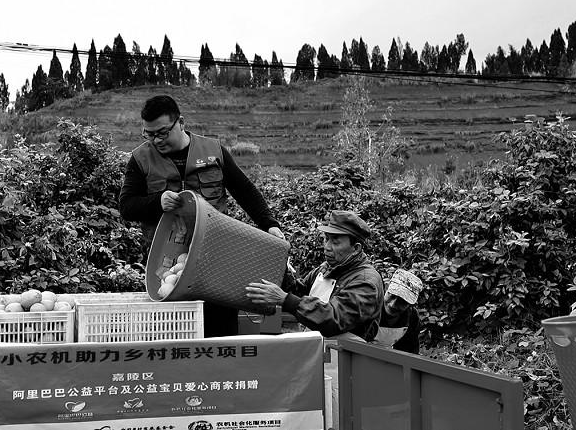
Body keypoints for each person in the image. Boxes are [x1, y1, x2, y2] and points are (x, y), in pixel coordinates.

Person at [119, 94, 284, 337]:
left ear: (180, 122)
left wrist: (269, 224)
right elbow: (127, 206)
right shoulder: (140, 158)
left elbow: (245, 191)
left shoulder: (213, 151)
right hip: (168, 263)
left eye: (162, 132)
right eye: (149, 134)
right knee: (175, 333)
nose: (156, 140)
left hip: (216, 258)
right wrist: (157, 201)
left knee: (221, 331)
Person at [245, 210, 384, 341]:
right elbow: (299, 292)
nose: (327, 247)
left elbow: (334, 318)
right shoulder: (324, 269)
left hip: (347, 355)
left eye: (335, 242)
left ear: (356, 248)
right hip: (316, 349)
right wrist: (280, 267)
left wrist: (285, 299)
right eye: (326, 239)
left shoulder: (366, 281)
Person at [370, 268, 423, 354]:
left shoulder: (411, 317)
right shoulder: (370, 305)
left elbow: (408, 352)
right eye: (392, 296)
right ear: (386, 289)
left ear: (410, 305)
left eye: (402, 302)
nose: (392, 305)